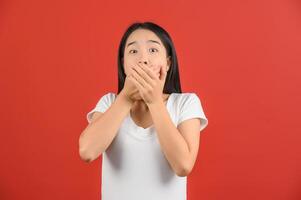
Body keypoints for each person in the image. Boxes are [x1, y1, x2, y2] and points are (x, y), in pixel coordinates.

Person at [79, 21, 209, 200]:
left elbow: (183, 166)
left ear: (168, 63)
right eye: (133, 51)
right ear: (124, 64)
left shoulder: (186, 103)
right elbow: (87, 151)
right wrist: (125, 97)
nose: (143, 59)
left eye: (153, 50)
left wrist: (154, 101)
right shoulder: (109, 103)